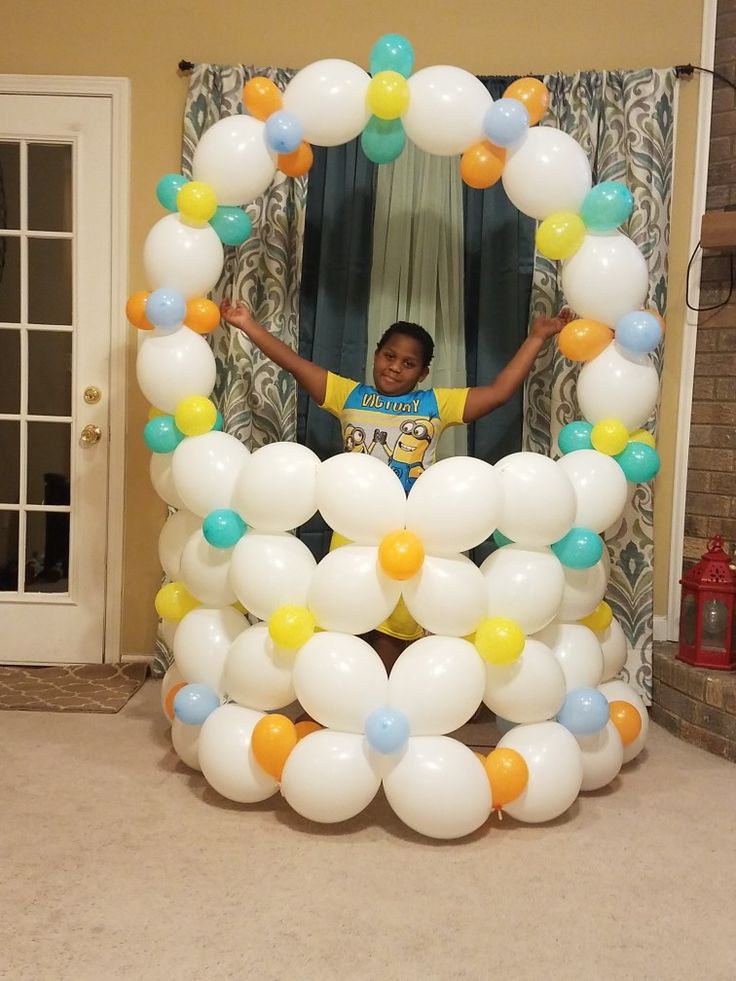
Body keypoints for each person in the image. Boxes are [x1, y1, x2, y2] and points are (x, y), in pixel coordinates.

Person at [220, 298, 568, 673]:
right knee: (346, 615)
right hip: (353, 528)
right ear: (376, 355)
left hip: (406, 534)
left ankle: (391, 694)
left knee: (397, 624)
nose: (395, 367)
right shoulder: (346, 395)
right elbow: (293, 363)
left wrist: (536, 337)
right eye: (389, 356)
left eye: (408, 363)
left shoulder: (436, 404)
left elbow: (499, 392)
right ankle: (344, 693)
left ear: (422, 373)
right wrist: (247, 323)